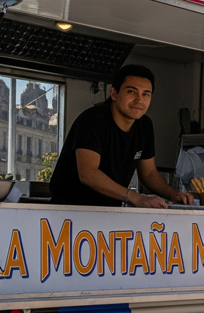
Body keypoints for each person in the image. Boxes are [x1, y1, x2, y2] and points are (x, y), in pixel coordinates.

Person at [50, 64, 193, 207]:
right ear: (114, 93)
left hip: (110, 212)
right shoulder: (93, 120)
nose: (139, 100)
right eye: (131, 92)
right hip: (70, 210)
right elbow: (88, 173)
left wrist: (173, 195)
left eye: (146, 94)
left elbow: (149, 173)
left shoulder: (144, 125)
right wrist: (137, 198)